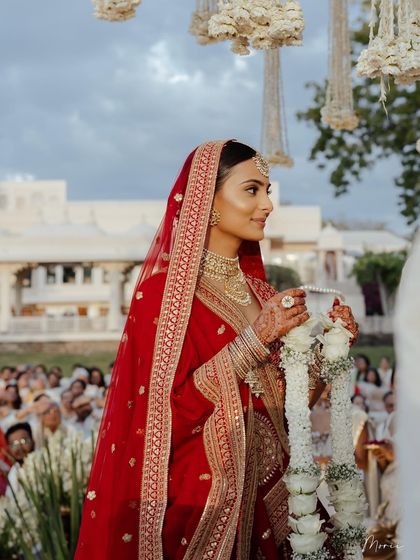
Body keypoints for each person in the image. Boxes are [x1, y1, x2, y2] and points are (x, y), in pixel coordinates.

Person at [75, 140, 358, 559]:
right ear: (208, 200)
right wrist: (255, 340)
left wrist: (329, 354)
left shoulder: (265, 295)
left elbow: (285, 409)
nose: (267, 204)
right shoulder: (165, 297)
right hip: (204, 505)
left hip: (278, 499)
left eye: (268, 191)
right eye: (252, 189)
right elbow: (167, 413)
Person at [5, 422, 35, 497]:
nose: (19, 447)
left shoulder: (46, 465)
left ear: (33, 441)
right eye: (14, 444)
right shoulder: (12, 473)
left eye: (24, 441)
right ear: (9, 449)